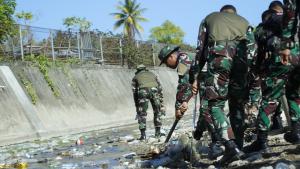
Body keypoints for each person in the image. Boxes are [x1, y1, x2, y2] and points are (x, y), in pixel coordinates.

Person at [193, 4, 255, 164]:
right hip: (241, 61)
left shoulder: (210, 18)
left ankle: (230, 146)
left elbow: (201, 48)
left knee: (215, 104)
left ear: (222, 13)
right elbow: (252, 49)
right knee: (237, 104)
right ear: (234, 13)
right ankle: (239, 147)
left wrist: (196, 73)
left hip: (220, 57)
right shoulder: (245, 21)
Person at [244, 0, 300, 153]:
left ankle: (262, 142)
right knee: (294, 95)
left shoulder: (265, 25)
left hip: (281, 60)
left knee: (270, 100)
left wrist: (258, 69)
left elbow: (258, 53)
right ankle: (296, 132)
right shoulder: (295, 18)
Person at [158, 46, 197, 118]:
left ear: (171, 56)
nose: (167, 65)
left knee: (210, 108)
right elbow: (190, 83)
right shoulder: (184, 57)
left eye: (166, 62)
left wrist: (178, 107)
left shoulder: (183, 60)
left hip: (213, 76)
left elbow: (184, 84)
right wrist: (185, 101)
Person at [132, 64, 165, 140]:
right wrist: (161, 103)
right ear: (145, 69)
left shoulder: (135, 77)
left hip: (143, 92)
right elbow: (160, 88)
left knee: (142, 114)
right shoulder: (152, 74)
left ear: (138, 70)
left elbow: (135, 93)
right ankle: (158, 133)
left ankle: (143, 136)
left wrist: (137, 106)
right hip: (154, 91)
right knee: (157, 112)